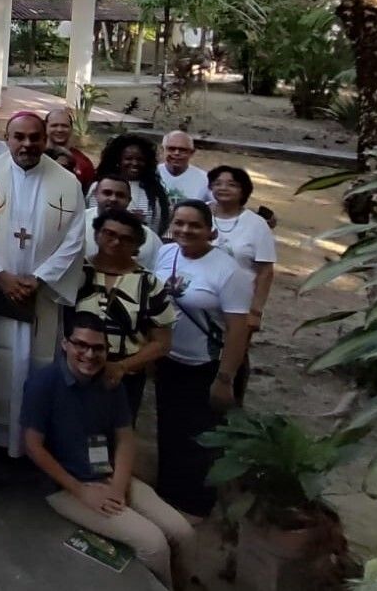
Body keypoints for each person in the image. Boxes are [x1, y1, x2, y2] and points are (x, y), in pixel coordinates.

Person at [22, 313, 194, 590]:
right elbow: (33, 446)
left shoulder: (110, 381)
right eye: (81, 345)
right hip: (67, 486)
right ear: (65, 344)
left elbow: (125, 438)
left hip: (110, 475)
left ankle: (183, 584)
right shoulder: (44, 384)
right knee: (154, 545)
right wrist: (82, 491)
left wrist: (118, 485)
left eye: (98, 348)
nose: (89, 354)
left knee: (183, 532)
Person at [0, 112, 86, 456]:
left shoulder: (67, 182)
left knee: (38, 364)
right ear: (7, 138)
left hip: (41, 298)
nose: (27, 144)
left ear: (45, 139)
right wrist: (1, 276)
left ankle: (32, 442)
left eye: (35, 137)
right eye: (19, 137)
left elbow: (75, 240)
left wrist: (40, 279)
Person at [154, 201, 252, 519]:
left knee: (201, 438)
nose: (185, 230)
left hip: (207, 366)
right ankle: (167, 493)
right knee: (169, 429)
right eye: (179, 223)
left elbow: (238, 329)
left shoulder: (229, 271)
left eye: (194, 225)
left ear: (210, 230)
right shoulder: (165, 255)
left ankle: (196, 505)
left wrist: (225, 378)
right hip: (169, 360)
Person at [77, 208, 173, 415]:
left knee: (116, 438)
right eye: (109, 234)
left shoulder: (149, 284)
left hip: (123, 380)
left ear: (137, 246)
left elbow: (162, 342)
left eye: (126, 238)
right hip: (74, 374)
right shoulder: (76, 273)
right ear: (96, 234)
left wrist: (122, 367)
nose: (116, 242)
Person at [207, 166, 277, 338]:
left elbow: (265, 272)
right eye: (217, 183)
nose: (223, 188)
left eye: (232, 184)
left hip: (237, 304)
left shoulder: (257, 225)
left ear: (244, 191)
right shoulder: (198, 213)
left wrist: (255, 311)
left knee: (232, 354)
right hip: (197, 299)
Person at [93, 135, 171, 234]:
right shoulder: (100, 186)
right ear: (118, 160)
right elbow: (92, 217)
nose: (134, 163)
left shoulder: (155, 191)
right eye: (128, 158)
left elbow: (158, 227)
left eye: (140, 159)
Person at [84, 175, 161, 272]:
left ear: (129, 200)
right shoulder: (78, 222)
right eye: (107, 193)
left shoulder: (148, 236)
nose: (113, 199)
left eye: (120, 195)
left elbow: (156, 270)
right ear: (96, 194)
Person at [44, 107, 96, 190]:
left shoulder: (84, 164)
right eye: (54, 125)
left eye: (64, 126)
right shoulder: (35, 156)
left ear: (71, 129)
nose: (59, 129)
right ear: (45, 127)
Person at [157, 131, 208, 205]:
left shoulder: (205, 179)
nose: (176, 153)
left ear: (192, 152)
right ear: (162, 150)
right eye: (171, 148)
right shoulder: (150, 173)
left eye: (183, 150)